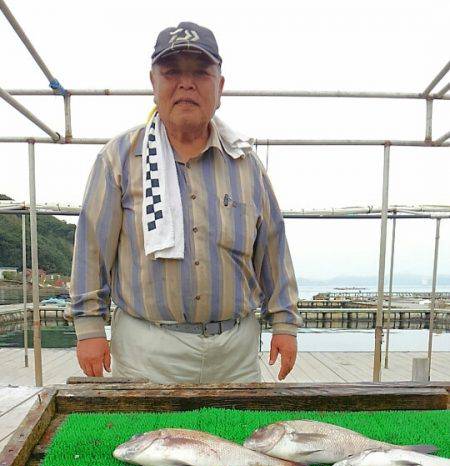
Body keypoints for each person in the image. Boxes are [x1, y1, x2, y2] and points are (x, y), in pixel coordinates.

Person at [70, 21, 300, 382]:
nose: (186, 83)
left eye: (201, 72)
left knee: (236, 439)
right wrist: (90, 329)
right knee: (145, 440)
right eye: (172, 71)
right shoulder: (119, 158)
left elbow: (272, 246)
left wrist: (285, 322)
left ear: (220, 86)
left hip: (234, 355)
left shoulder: (246, 164)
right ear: (153, 83)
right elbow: (91, 249)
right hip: (148, 352)